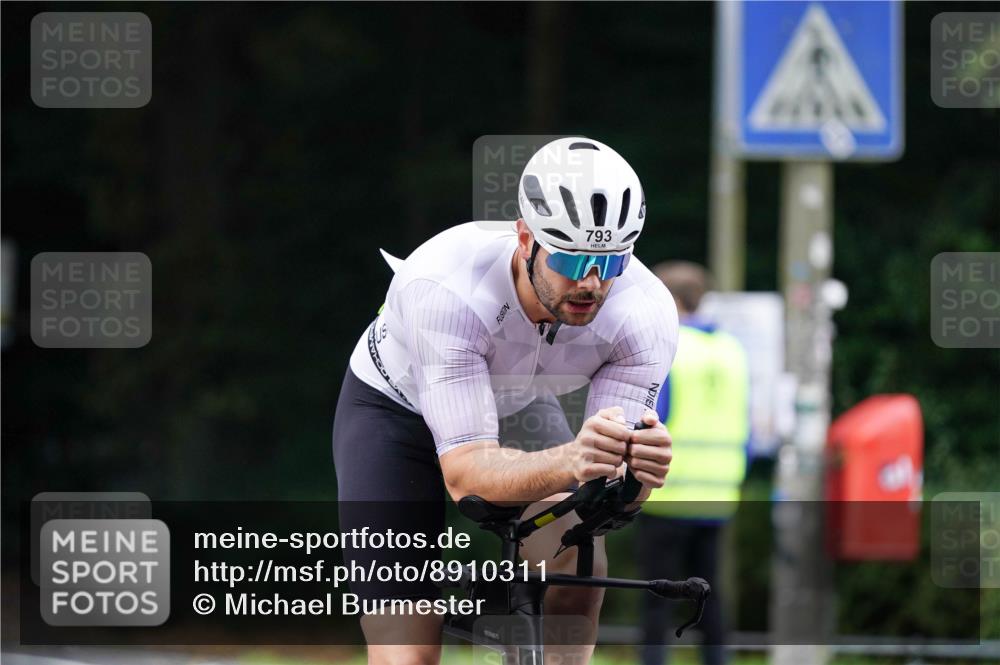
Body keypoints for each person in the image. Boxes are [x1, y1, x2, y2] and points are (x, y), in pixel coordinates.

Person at [332, 136, 680, 665]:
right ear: (525, 239)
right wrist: (571, 459)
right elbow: (467, 477)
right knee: (408, 654)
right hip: (394, 412)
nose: (591, 282)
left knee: (579, 568)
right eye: (571, 258)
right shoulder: (447, 288)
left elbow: (605, 495)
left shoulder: (644, 313)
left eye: (611, 263)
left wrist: (634, 478)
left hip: (517, 405)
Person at [637, 261, 751, 665]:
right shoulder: (732, 350)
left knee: (657, 595)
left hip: (668, 489)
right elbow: (746, 426)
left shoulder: (670, 347)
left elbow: (652, 417)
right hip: (719, 494)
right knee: (710, 592)